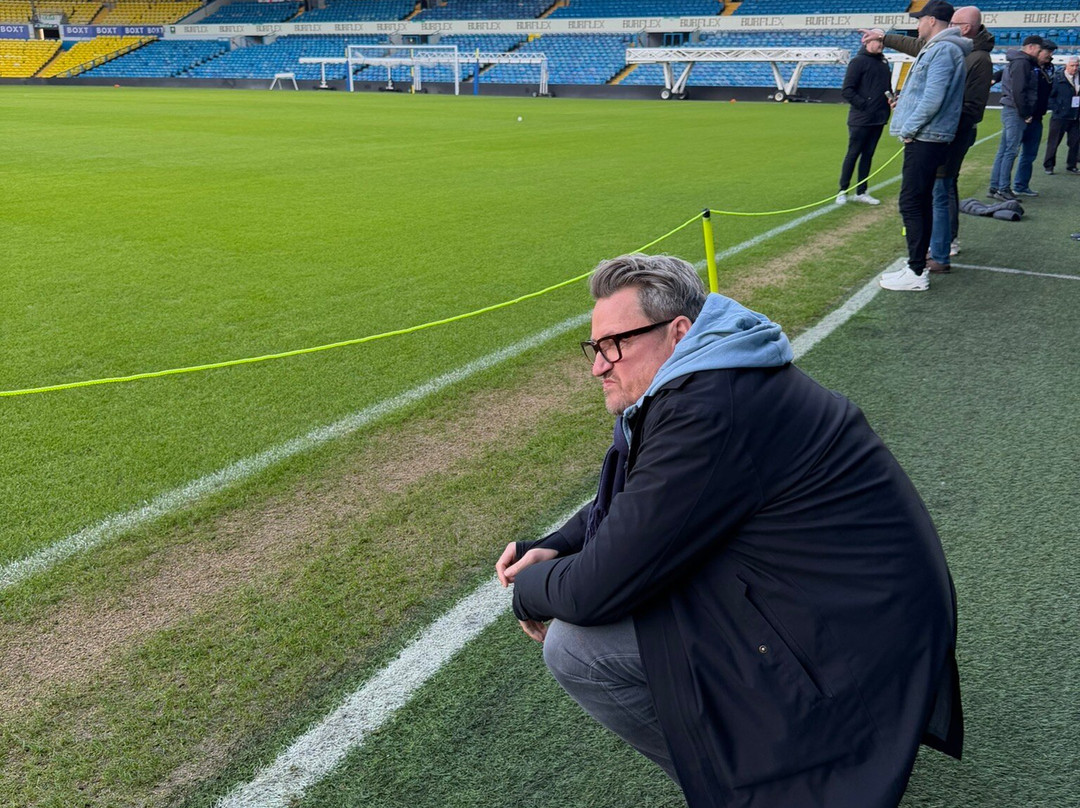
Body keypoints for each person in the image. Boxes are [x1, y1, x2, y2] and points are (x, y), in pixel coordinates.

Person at [497, 254, 963, 808]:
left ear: (678, 332)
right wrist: (557, 545)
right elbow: (641, 501)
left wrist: (527, 593)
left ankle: (757, 791)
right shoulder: (712, 376)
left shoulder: (709, 408)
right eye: (594, 348)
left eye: (615, 344)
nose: (599, 366)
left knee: (577, 649)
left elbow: (595, 588)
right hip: (847, 601)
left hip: (853, 634)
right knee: (650, 593)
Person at [864, 6, 994, 273]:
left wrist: (915, 127)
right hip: (939, 132)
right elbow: (921, 53)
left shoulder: (964, 54)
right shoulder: (951, 48)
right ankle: (936, 249)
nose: (920, 25)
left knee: (935, 194)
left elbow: (954, 103)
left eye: (922, 19)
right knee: (933, 194)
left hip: (941, 135)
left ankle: (937, 253)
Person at [877, 0, 971, 292]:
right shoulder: (942, 48)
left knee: (912, 202)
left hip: (927, 137)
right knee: (919, 201)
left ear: (931, 20)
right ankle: (915, 266)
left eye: (919, 20)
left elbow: (933, 97)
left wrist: (909, 128)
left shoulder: (943, 50)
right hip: (928, 136)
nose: (917, 25)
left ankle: (916, 271)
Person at [836, 33, 892, 206]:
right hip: (861, 119)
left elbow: (886, 87)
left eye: (882, 41)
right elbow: (847, 90)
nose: (881, 44)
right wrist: (865, 105)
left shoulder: (883, 63)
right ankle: (842, 190)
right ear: (867, 42)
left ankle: (862, 191)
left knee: (868, 155)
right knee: (853, 154)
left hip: (879, 117)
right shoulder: (858, 62)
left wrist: (890, 98)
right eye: (878, 41)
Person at [988, 35, 1043, 200]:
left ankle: (995, 186)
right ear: (1031, 47)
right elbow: (1019, 90)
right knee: (1010, 151)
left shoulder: (1018, 62)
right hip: (1015, 111)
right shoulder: (1022, 63)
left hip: (1011, 109)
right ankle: (1003, 189)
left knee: (1004, 150)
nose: (1039, 53)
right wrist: (1025, 113)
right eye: (1039, 50)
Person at [1013, 39, 1057, 197]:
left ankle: (1020, 185)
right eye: (1048, 52)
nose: (1050, 56)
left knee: (1030, 154)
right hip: (1022, 117)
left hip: (1037, 117)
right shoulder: (1026, 66)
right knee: (1010, 152)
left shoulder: (1046, 69)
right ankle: (999, 186)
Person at [1042, 54, 1079, 175]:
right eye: (1072, 65)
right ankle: (1049, 165)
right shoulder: (1057, 78)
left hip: (1075, 115)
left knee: (1075, 142)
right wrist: (1057, 108)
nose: (1075, 68)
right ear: (1066, 66)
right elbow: (1049, 97)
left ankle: (1072, 165)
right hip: (1060, 116)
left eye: (1077, 65)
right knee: (1054, 142)